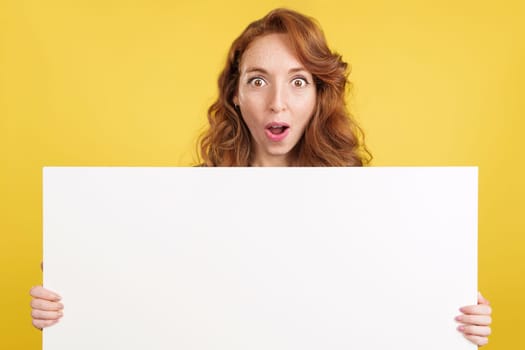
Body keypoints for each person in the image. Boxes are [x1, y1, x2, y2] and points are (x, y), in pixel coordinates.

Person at [29, 8, 493, 346]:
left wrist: (451, 307)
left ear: (318, 94)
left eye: (298, 81)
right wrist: (77, 294)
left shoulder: (367, 207)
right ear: (234, 94)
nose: (277, 103)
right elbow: (155, 311)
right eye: (257, 80)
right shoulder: (181, 205)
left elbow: (384, 310)